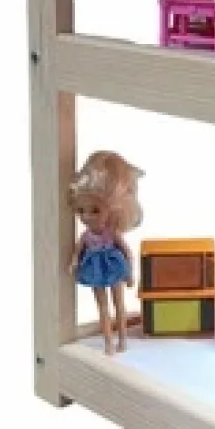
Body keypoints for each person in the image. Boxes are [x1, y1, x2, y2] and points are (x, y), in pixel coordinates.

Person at [67, 151, 143, 355]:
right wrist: (74, 263)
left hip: (114, 265)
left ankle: (123, 338)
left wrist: (130, 274)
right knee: (102, 306)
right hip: (94, 269)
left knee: (118, 304)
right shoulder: (86, 236)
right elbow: (77, 253)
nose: (86, 217)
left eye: (95, 210)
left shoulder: (112, 233)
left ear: (114, 209)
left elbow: (127, 252)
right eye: (81, 211)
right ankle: (108, 341)